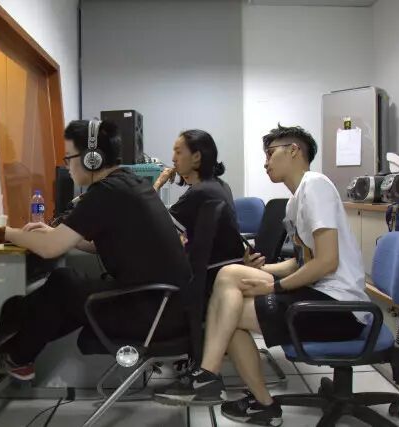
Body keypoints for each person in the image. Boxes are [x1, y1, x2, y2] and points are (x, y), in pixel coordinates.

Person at [155, 124, 370, 427]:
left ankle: (210, 378)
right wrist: (260, 271)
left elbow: (327, 262)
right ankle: (245, 395)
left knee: (227, 305)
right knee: (230, 290)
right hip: (319, 295)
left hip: (339, 308)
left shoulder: (315, 185)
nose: (265, 162)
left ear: (294, 150)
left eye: (270, 153)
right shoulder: (295, 201)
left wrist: (275, 287)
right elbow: (301, 263)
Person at [0, 119, 192, 381]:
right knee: (67, 287)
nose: (67, 164)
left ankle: (16, 353)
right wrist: (64, 236)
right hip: (167, 306)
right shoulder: (130, 183)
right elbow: (112, 242)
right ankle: (17, 347)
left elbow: (50, 250)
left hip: (153, 313)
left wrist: (1, 231)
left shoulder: (106, 192)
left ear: (92, 159)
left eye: (69, 157)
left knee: (63, 285)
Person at [153, 129, 248, 292]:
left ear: (196, 157)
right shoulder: (220, 185)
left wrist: (158, 183)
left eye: (178, 152)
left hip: (208, 277)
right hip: (226, 270)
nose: (173, 158)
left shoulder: (199, 192)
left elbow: (154, 224)